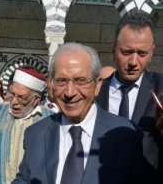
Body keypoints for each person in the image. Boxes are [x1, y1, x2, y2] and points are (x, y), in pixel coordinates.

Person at [13, 43, 147, 184]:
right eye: (61, 81)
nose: (70, 92)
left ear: (98, 85)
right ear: (51, 86)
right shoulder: (36, 134)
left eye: (81, 81)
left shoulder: (126, 135)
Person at [96, 11, 163, 182]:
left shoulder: (161, 89)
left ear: (152, 52)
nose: (133, 62)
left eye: (142, 53)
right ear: (114, 49)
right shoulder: (94, 92)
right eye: (126, 52)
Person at [0, 67, 53, 184]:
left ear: (36, 99)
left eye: (21, 97)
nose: (14, 102)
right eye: (12, 94)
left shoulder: (50, 121)